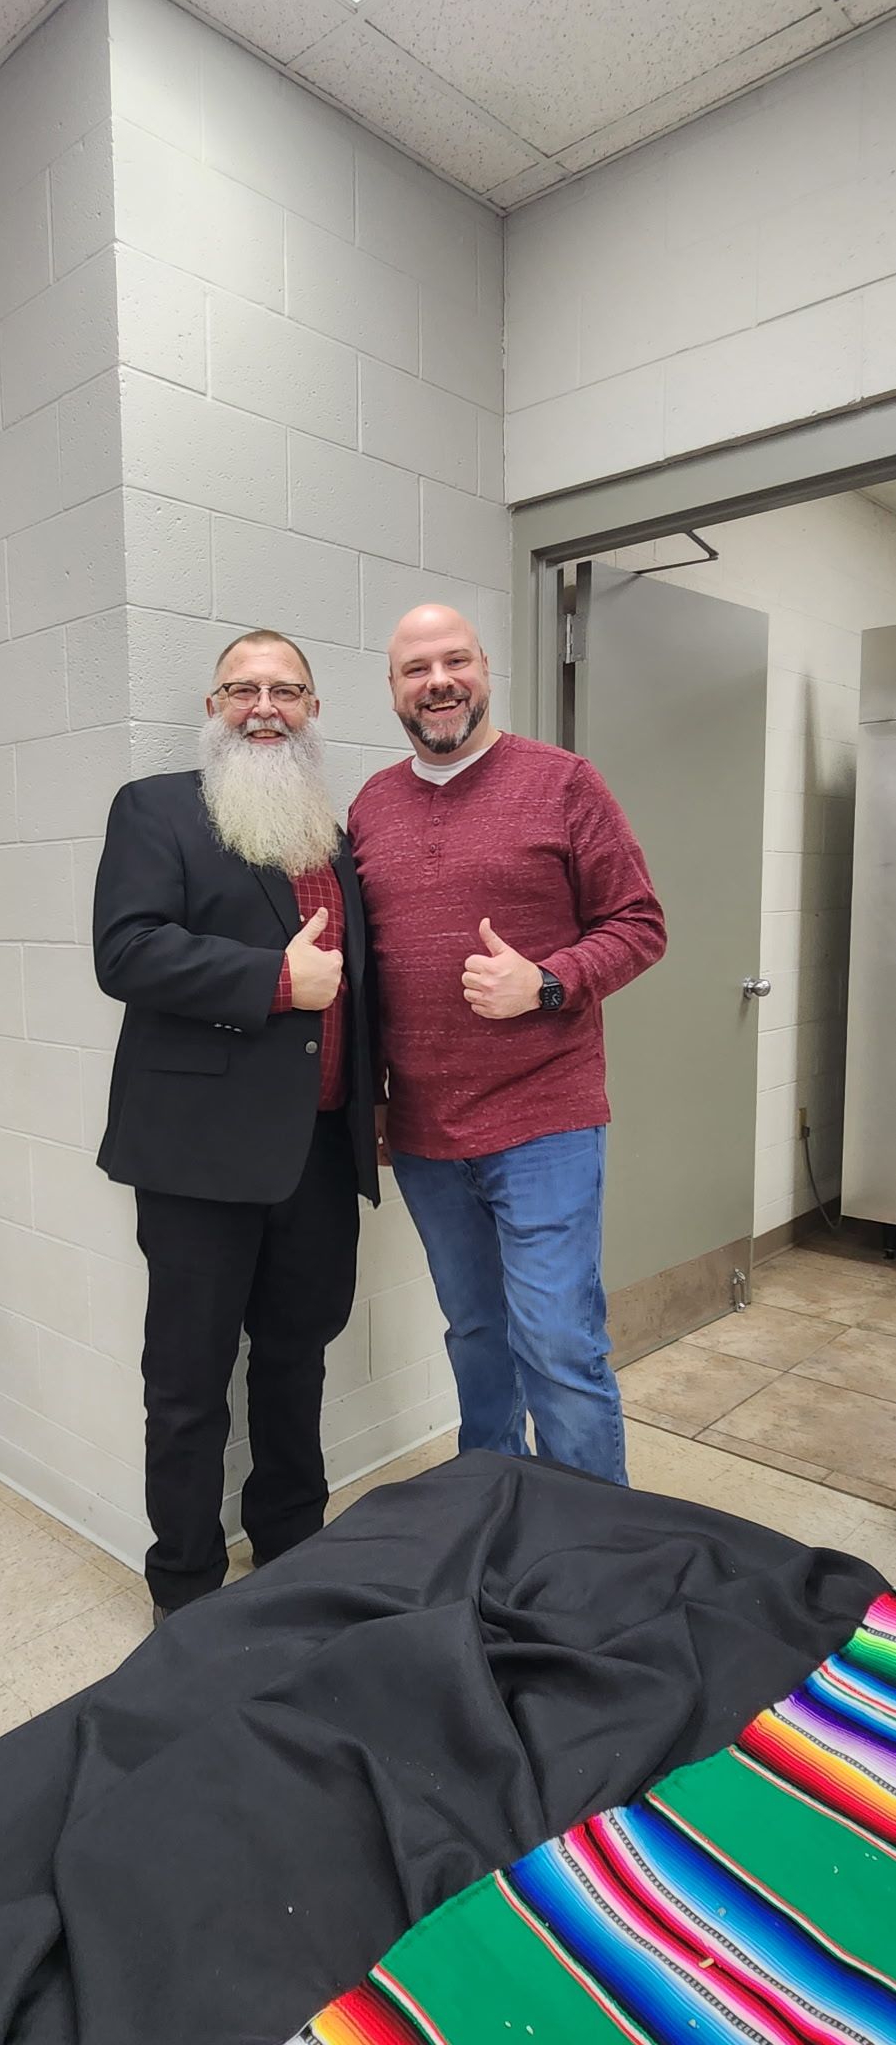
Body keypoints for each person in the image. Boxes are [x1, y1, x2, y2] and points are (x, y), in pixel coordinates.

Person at [94, 630, 378, 1621]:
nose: (265, 705)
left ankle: (293, 1545)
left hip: (317, 1149)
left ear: (313, 707)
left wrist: (373, 1103)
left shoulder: (330, 835)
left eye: (287, 689)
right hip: (196, 1156)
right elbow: (126, 951)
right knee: (187, 1382)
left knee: (298, 1357)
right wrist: (272, 980)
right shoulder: (156, 808)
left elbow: (359, 987)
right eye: (242, 688)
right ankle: (185, 1587)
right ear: (212, 704)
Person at [348, 604, 666, 1484]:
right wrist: (373, 1093)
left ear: (486, 670)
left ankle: (592, 1547)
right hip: (421, 1132)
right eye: (416, 668)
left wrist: (548, 981)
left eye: (455, 661)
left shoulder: (564, 782)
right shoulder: (371, 804)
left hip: (544, 1119)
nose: (437, 681)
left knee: (559, 1344)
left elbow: (640, 924)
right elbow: (370, 968)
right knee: (475, 1333)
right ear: (392, 690)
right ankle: (489, 1509)